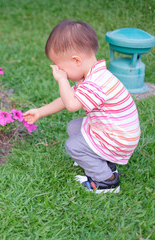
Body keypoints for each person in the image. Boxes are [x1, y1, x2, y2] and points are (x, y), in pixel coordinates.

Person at [23, 20, 140, 193]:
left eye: (62, 68)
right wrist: (40, 112)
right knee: (74, 127)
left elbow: (71, 105)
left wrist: (62, 80)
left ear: (76, 60)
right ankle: (103, 162)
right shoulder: (91, 77)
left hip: (118, 139)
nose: (62, 73)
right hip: (115, 132)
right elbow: (66, 99)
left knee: (73, 146)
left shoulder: (96, 83)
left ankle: (107, 181)